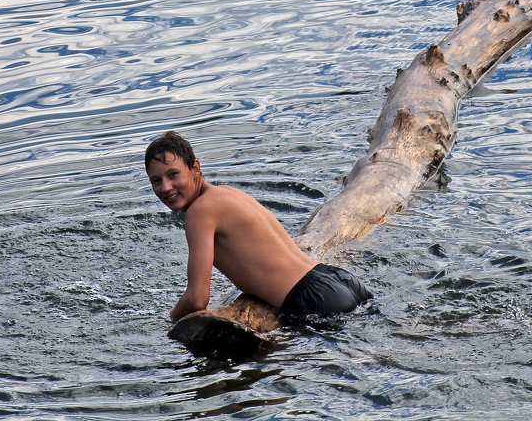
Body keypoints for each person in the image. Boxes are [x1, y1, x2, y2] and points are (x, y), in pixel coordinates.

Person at [144, 130, 372, 321]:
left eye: (173, 174)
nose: (166, 187)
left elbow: (197, 298)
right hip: (337, 279)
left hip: (315, 299)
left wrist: (170, 319)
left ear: (195, 168)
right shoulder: (226, 193)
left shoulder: (199, 212)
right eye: (156, 180)